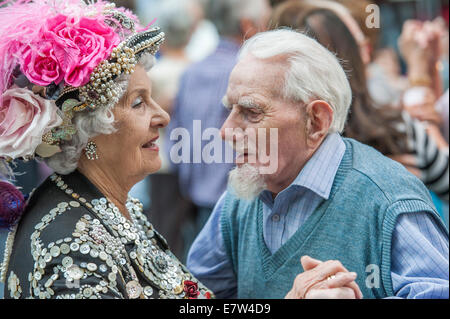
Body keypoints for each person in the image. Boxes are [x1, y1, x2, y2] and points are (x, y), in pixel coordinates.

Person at [187, 29, 449, 299]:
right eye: (229, 109)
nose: (226, 131)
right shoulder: (240, 198)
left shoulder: (388, 198)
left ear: (316, 122)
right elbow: (191, 297)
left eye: (251, 112)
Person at [0, 0, 212, 299]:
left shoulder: (111, 203)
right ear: (89, 132)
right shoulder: (70, 248)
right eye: (139, 102)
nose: (163, 117)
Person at [166, 0, 272, 262]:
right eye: (268, 21)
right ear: (248, 24)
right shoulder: (249, 73)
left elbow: (176, 139)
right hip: (241, 206)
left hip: (195, 202)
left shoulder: (192, 71)